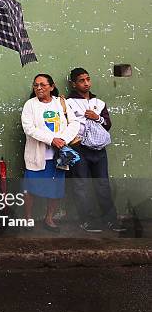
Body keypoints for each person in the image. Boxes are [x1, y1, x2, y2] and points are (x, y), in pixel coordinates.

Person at [66, 68, 126, 233]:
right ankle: (86, 221)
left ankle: (111, 220)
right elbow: (66, 124)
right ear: (73, 83)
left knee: (103, 184)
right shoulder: (68, 102)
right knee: (81, 185)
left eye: (87, 79)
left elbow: (107, 124)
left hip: (99, 149)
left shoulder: (98, 102)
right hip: (78, 147)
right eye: (81, 80)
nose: (86, 83)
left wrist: (97, 117)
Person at [21, 74, 80, 232]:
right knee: (30, 188)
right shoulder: (30, 105)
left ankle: (49, 218)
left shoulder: (61, 103)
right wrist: (51, 139)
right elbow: (29, 128)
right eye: (36, 85)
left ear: (52, 86)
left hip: (58, 156)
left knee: (55, 189)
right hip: (37, 155)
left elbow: (74, 123)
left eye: (43, 85)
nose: (39, 88)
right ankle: (28, 218)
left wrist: (62, 140)